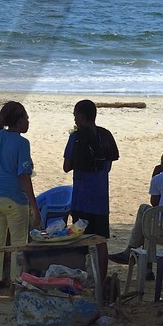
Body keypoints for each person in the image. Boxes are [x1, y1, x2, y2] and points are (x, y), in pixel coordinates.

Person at [0, 100, 39, 299]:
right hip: (13, 199)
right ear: (19, 120)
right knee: (17, 245)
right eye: (26, 118)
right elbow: (24, 176)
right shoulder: (22, 143)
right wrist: (35, 207)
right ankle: (15, 290)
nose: (28, 122)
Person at [63, 99, 119, 278]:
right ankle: (101, 281)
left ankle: (82, 278)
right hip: (101, 197)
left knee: (80, 240)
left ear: (80, 116)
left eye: (75, 115)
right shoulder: (106, 135)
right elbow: (108, 166)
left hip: (81, 197)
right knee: (100, 241)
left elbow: (66, 166)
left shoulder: (76, 137)